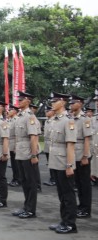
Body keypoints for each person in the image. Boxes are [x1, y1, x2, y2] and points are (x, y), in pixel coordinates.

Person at [48, 92, 78, 234]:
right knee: (61, 194)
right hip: (56, 161)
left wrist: (69, 165)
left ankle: (71, 224)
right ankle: (63, 220)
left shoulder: (68, 121)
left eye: (55, 101)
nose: (52, 103)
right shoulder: (55, 120)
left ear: (63, 102)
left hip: (64, 162)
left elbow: (70, 145)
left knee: (68, 194)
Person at [11, 91, 39, 218]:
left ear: (28, 101)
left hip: (28, 152)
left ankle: (31, 209)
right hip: (21, 152)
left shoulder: (30, 117)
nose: (19, 102)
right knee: (24, 181)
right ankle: (26, 206)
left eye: (21, 100)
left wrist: (34, 155)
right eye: (19, 99)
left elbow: (33, 137)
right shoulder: (20, 116)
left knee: (31, 182)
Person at [69, 95, 92, 218]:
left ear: (80, 104)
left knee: (84, 184)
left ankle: (86, 208)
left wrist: (85, 156)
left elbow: (87, 139)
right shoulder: (71, 118)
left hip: (81, 153)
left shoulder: (85, 119)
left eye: (74, 103)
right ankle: (81, 205)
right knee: (77, 183)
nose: (71, 105)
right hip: (73, 154)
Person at [43, 105, 56, 186]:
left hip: (53, 144)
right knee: (49, 162)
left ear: (52, 112)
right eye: (46, 111)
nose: (46, 112)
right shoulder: (47, 121)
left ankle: (54, 179)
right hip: (47, 145)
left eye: (48, 111)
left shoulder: (54, 121)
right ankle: (52, 178)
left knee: (54, 163)